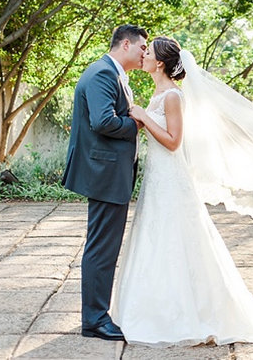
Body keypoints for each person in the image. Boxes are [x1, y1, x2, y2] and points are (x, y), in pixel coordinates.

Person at [110, 36, 253, 345]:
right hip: (157, 180)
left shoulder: (173, 96)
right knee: (156, 239)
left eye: (149, 53)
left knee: (177, 240)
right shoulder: (158, 92)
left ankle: (190, 314)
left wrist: (144, 117)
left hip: (171, 179)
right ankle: (152, 309)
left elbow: (173, 142)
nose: (143, 55)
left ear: (160, 63)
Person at [62, 24, 148, 341]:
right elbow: (103, 121)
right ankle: (95, 319)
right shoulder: (102, 74)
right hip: (105, 173)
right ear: (125, 44)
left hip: (109, 172)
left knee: (104, 247)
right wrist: (137, 123)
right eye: (142, 48)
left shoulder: (110, 73)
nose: (144, 54)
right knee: (101, 248)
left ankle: (96, 315)